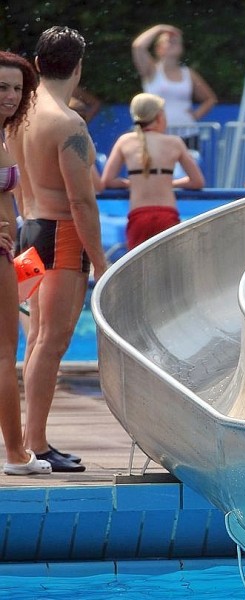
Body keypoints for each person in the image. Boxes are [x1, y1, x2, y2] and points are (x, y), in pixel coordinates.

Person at [7, 26, 108, 473]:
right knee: (52, 341)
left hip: (31, 231)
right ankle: (39, 444)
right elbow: (82, 201)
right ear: (79, 65)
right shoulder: (69, 124)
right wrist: (102, 262)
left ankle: (31, 441)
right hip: (63, 237)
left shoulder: (21, 115)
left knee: (36, 340)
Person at [0, 51, 52, 476]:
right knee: (4, 355)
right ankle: (16, 455)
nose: (11, 96)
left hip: (7, 252)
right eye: (2, 87)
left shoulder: (4, 135)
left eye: (18, 88)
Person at [101, 93, 204, 250]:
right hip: (167, 215)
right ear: (160, 116)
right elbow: (197, 182)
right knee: (170, 270)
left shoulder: (125, 141)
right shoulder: (174, 142)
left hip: (139, 217)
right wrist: (168, 182)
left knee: (139, 272)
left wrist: (131, 183)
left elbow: (107, 181)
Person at [132, 24, 217, 151]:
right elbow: (138, 46)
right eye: (168, 41)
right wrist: (159, 29)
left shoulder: (188, 74)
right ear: (159, 48)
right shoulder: (152, 71)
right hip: (158, 133)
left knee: (186, 170)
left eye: (176, 41)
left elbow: (210, 99)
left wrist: (194, 116)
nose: (173, 43)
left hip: (188, 134)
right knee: (160, 169)